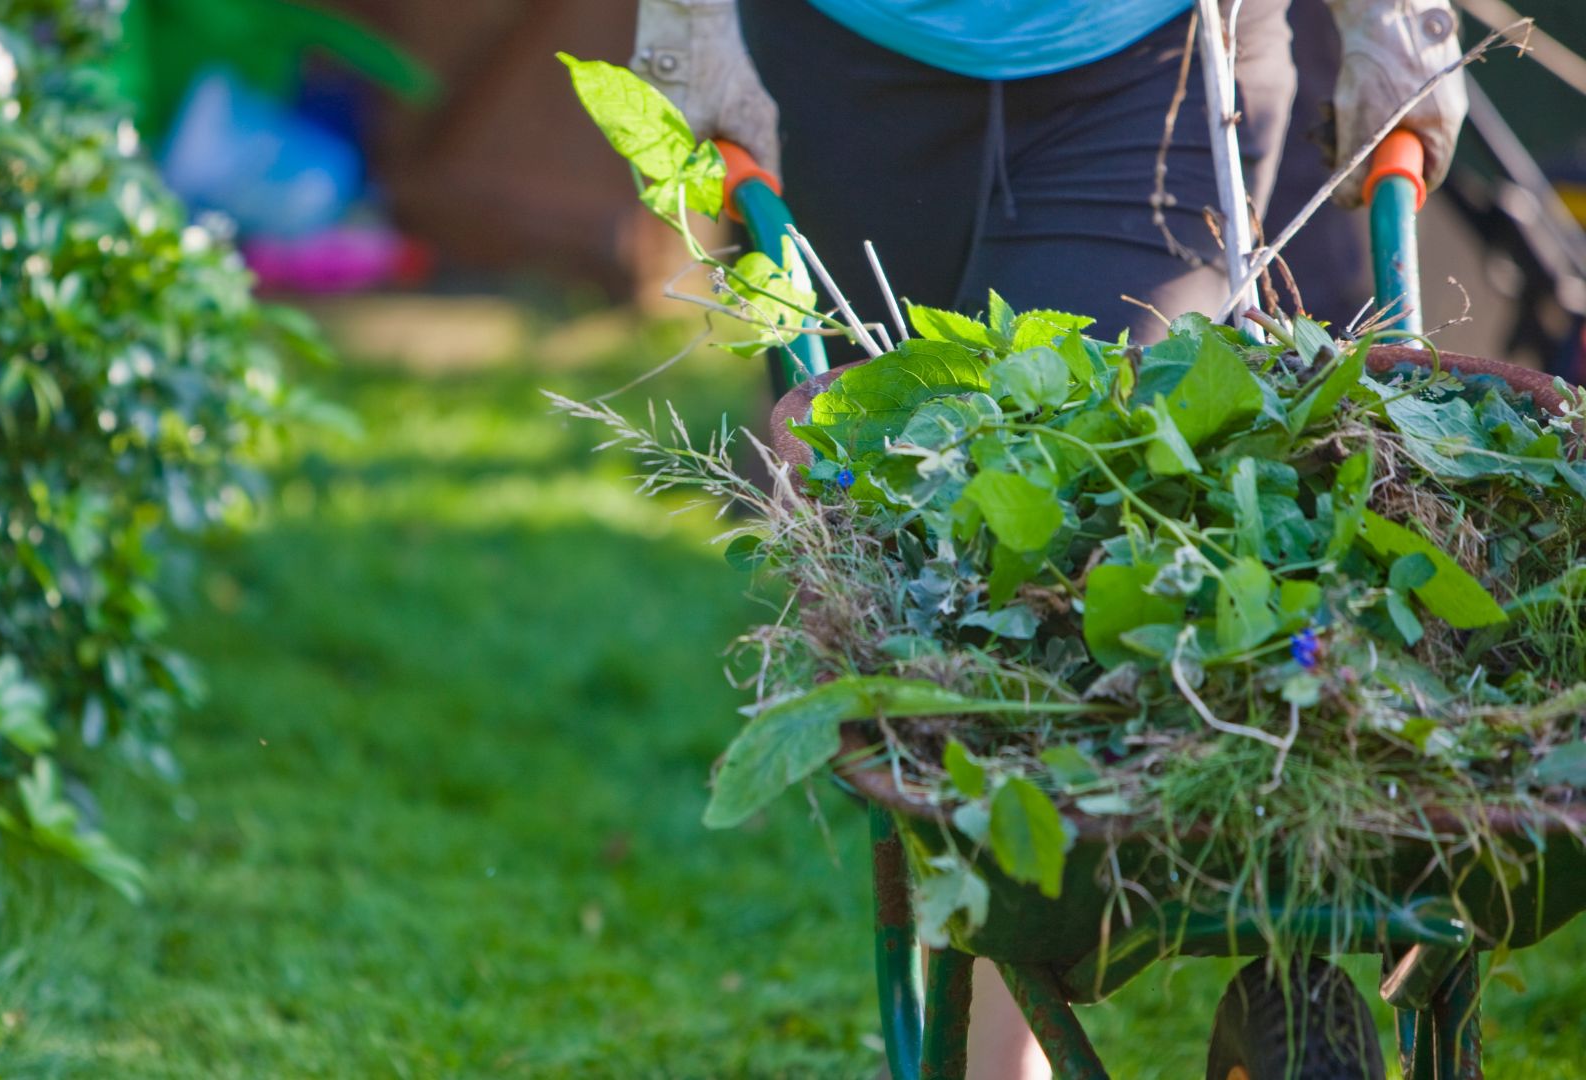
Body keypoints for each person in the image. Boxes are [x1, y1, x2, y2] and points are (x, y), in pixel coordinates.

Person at [629, 0, 1467, 1075]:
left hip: (1149, 63)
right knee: (929, 587)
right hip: (838, 61)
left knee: (1058, 554)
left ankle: (998, 1046)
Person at [631, 0, 1467, 345]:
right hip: (840, 58)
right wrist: (686, 20)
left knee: (1074, 472)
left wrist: (1393, 17)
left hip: (1153, 67)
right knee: (878, 490)